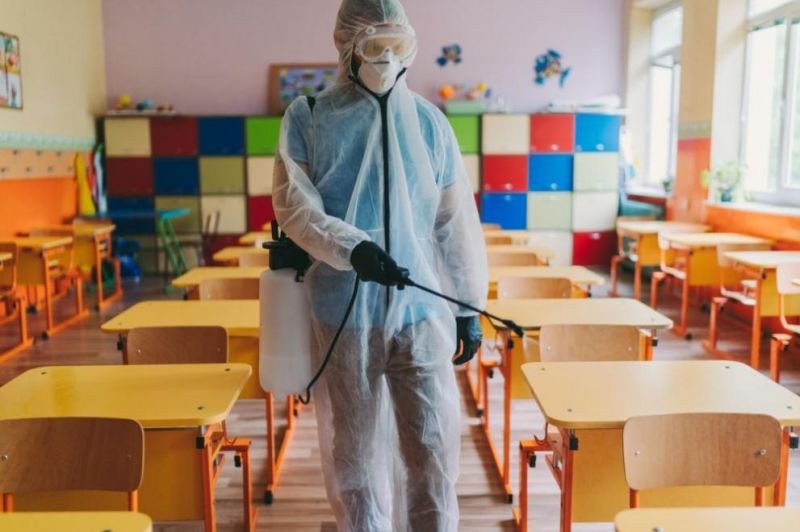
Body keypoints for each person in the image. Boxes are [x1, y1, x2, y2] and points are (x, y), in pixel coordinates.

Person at [272, 0, 487, 529]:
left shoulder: (430, 124)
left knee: (430, 444)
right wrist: (351, 248)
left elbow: (453, 221)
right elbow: (295, 206)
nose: (387, 58)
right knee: (356, 448)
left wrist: (468, 307)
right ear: (348, 46)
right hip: (344, 312)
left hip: (420, 311)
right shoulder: (310, 117)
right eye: (374, 45)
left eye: (397, 44)